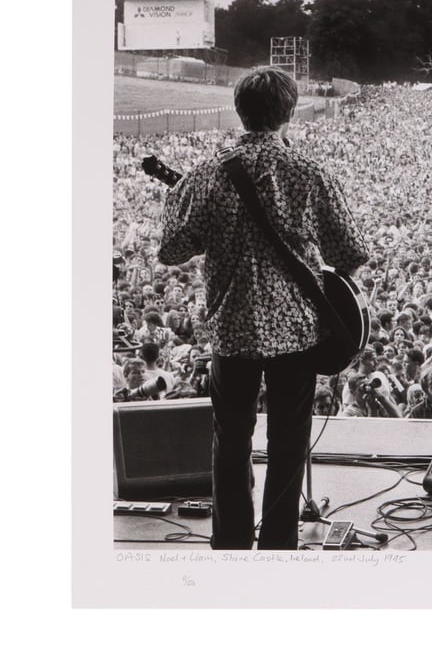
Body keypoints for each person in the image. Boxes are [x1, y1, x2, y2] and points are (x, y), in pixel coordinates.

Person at [158, 67, 370, 550]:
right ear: (289, 113)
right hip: (296, 333)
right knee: (289, 440)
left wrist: (177, 202)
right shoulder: (309, 173)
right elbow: (351, 253)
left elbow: (171, 249)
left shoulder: (206, 175)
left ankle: (230, 541)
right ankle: (278, 543)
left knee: (229, 441)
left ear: (240, 110)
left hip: (232, 331)